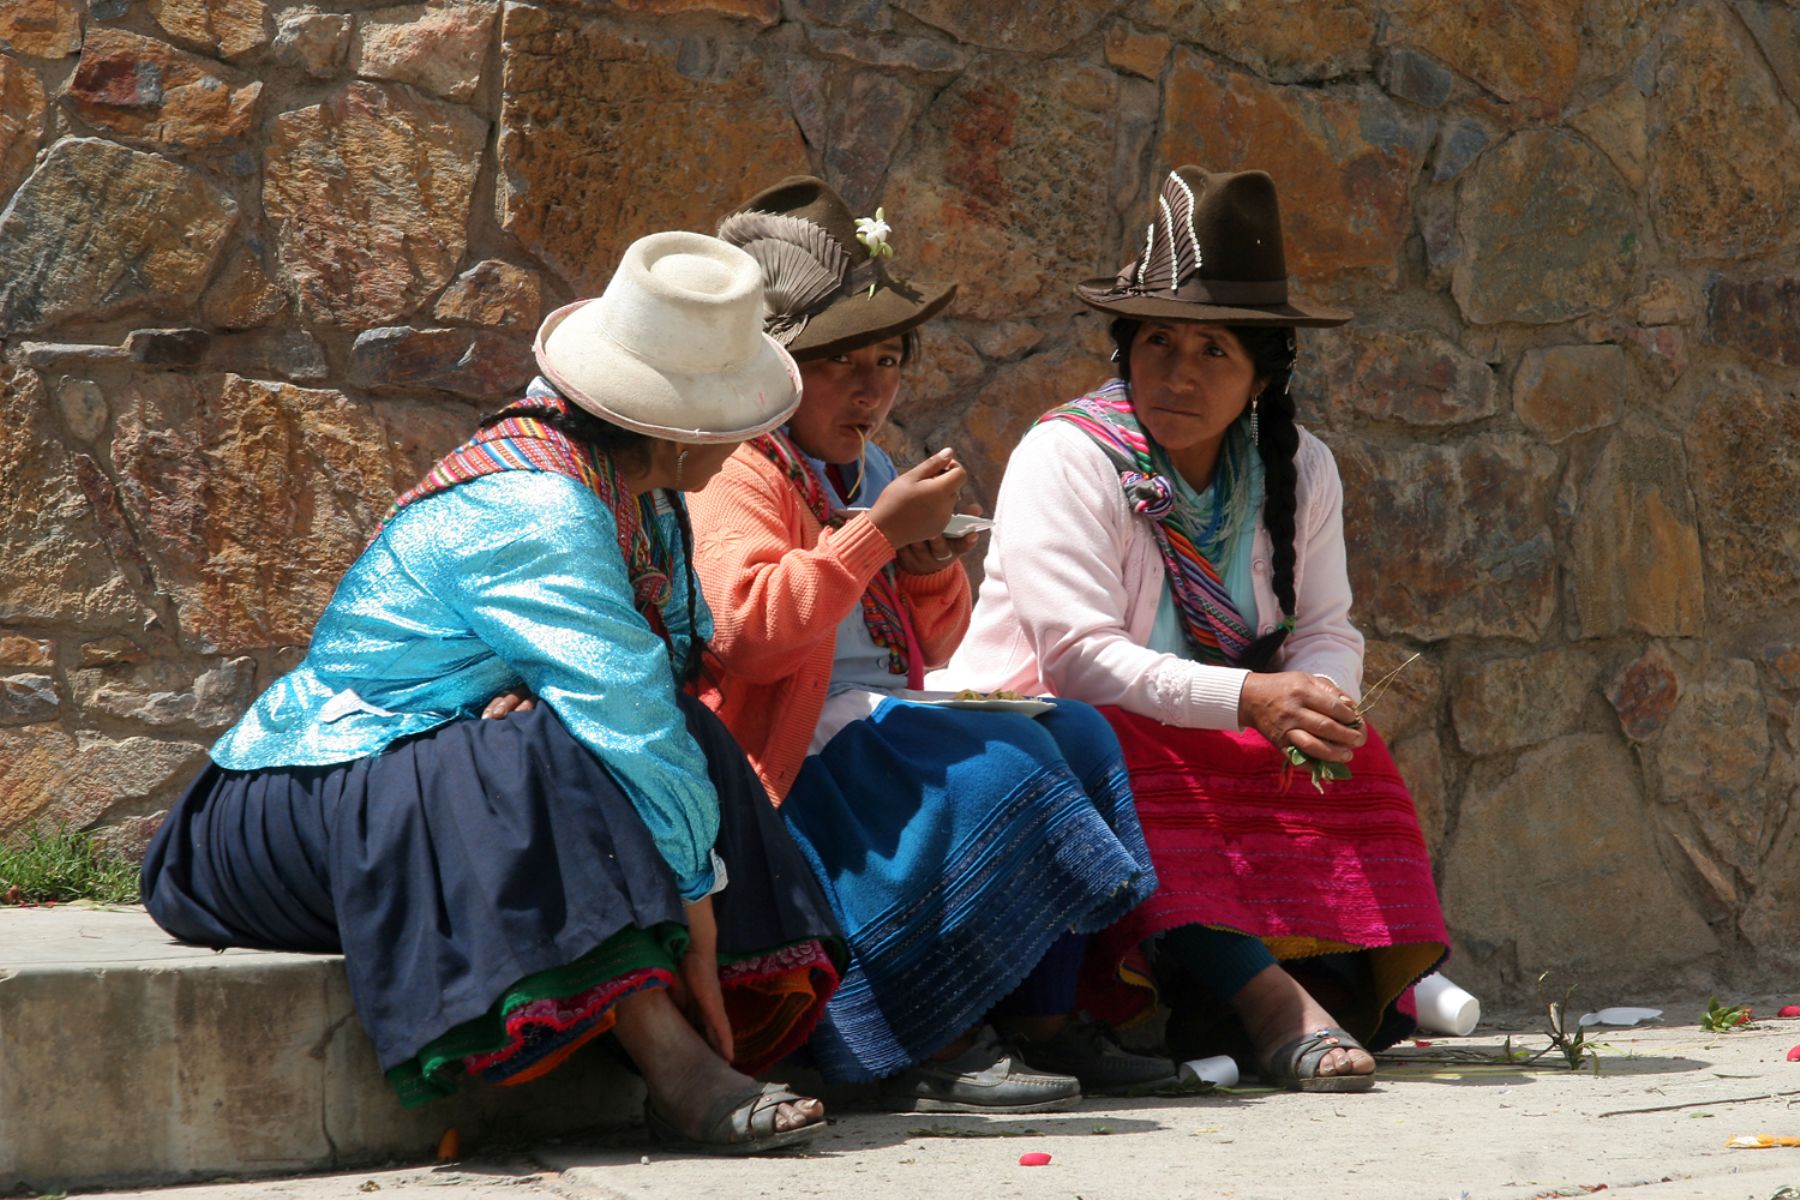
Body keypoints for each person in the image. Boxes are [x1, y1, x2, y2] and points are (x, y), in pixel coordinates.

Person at [138, 232, 847, 1153]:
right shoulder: (537, 503)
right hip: (277, 817)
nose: (749, 438)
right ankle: (677, 1064)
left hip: (416, 797)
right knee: (536, 751)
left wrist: (537, 695)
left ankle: (759, 1031)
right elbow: (625, 714)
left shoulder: (638, 497)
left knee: (606, 737)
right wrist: (696, 910)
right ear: (672, 426)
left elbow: (659, 684)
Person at [940, 167, 1451, 1092]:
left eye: (1214, 349)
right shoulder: (1069, 456)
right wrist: (1254, 698)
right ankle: (1268, 1002)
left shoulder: (1301, 469)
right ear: (1124, 349)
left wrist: (1323, 699)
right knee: (1130, 752)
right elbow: (1080, 662)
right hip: (1064, 729)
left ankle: (1323, 981)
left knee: (1354, 751)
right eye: (1158, 342)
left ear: (1263, 375)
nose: (1179, 372)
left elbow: (1327, 626)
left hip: (1212, 723)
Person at [686, 177, 1169, 1110]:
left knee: (1078, 734)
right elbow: (748, 633)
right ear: (776, 367)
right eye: (842, 364)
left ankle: (1044, 1016)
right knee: (1000, 765)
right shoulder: (737, 468)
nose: (873, 388)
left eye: (889, 360)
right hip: (781, 740)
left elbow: (928, 643)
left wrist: (923, 567)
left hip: (871, 713)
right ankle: (933, 1030)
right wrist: (875, 536)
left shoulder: (861, 465)